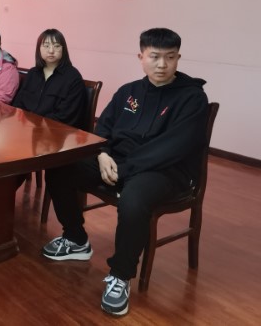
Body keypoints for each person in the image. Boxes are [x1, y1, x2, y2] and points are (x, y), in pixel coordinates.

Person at [41, 28, 209, 317]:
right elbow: (103, 127)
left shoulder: (192, 99)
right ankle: (76, 239)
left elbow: (173, 149)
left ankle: (120, 275)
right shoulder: (128, 92)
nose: (162, 64)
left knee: (134, 199)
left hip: (166, 172)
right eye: (154, 56)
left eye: (170, 57)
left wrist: (123, 169)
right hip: (117, 162)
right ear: (140, 57)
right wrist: (102, 154)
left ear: (178, 58)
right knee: (60, 165)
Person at [13, 28, 86, 129]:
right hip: (28, 129)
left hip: (56, 131)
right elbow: (18, 103)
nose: (51, 51)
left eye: (56, 46)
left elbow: (67, 117)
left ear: (63, 49)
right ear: (39, 49)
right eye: (46, 46)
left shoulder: (73, 77)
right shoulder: (33, 73)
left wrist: (36, 124)